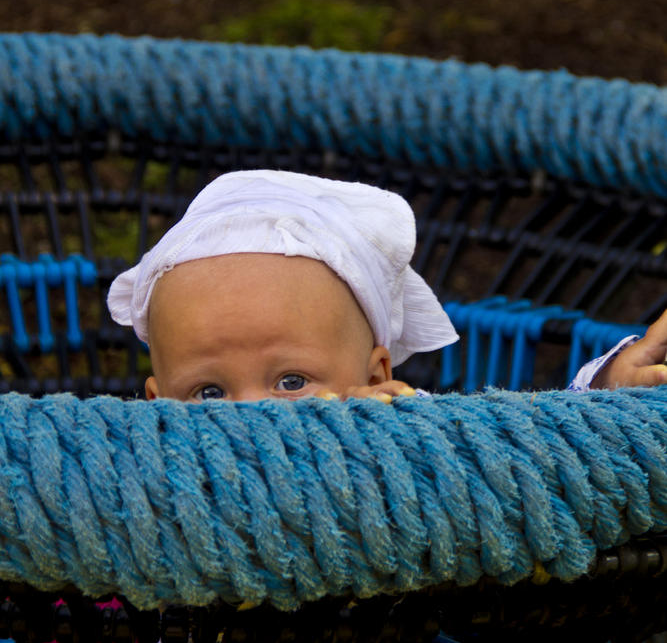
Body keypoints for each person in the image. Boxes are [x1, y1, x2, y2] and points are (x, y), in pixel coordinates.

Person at [107, 169, 667, 403]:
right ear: (156, 400)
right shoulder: (142, 471)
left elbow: (519, 465)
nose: (250, 420)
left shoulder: (401, 436)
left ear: (376, 376)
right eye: (207, 394)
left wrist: (601, 395)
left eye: (291, 381)